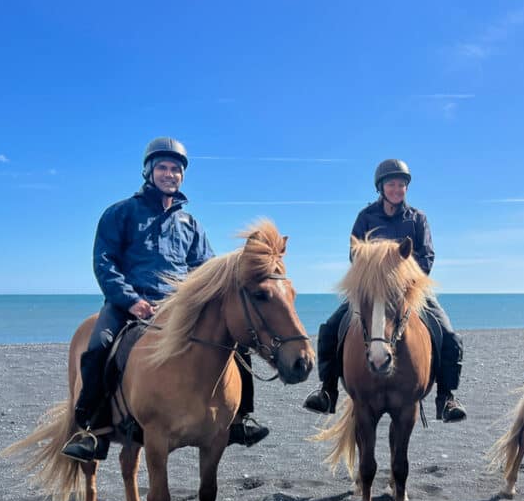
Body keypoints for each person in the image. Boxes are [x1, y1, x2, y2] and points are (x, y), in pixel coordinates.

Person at [61, 137, 270, 462]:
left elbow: (206, 270)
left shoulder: (190, 225)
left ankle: (241, 418)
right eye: (163, 167)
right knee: (99, 346)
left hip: (179, 310)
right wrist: (130, 300)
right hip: (127, 306)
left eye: (176, 169)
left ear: (182, 176)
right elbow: (105, 262)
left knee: (237, 343)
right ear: (149, 171)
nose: (169, 174)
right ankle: (91, 430)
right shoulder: (121, 213)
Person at [302, 159, 467, 422]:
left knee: (448, 334)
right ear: (381, 187)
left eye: (402, 185)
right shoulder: (365, 217)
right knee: (331, 328)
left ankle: (446, 397)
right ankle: (327, 390)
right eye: (392, 184)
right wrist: (372, 278)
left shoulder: (418, 218)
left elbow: (427, 256)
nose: (397, 189)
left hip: (409, 290)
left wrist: (406, 281)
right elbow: (355, 254)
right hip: (370, 290)